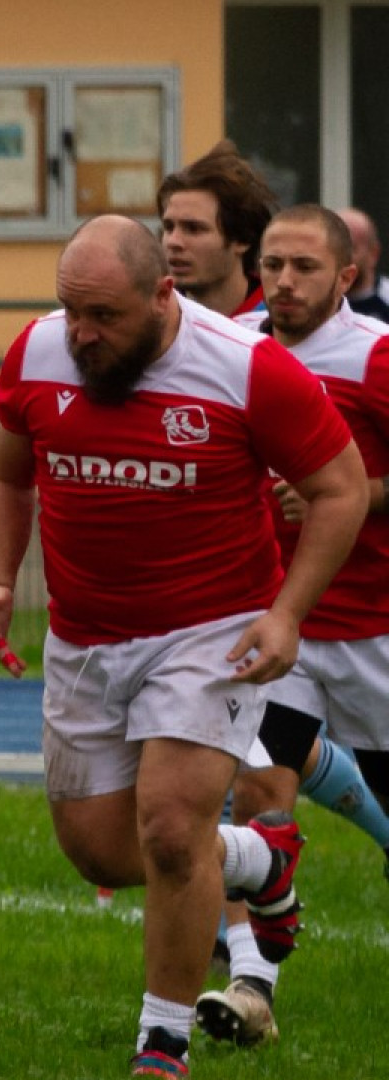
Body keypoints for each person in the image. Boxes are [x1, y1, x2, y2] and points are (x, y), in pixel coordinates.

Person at [0, 214, 367, 1078]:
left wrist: (287, 615)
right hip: (84, 636)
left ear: (163, 295)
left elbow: (340, 487)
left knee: (169, 827)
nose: (82, 334)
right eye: (71, 311)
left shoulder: (246, 366)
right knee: (100, 850)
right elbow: (5, 472)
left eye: (104, 316)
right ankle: (258, 860)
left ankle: (163, 1044)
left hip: (210, 632)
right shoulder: (36, 352)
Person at [195, 205, 389, 1048]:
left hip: (376, 625)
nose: (283, 282)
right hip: (280, 622)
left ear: (346, 276)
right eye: (272, 265)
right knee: (256, 790)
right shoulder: (232, 347)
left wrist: (352, 492)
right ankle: (252, 988)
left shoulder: (375, 355)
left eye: (304, 267)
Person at [158, 142, 275, 319]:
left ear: (242, 239)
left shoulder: (279, 320)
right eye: (169, 227)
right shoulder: (153, 318)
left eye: (193, 229)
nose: (173, 242)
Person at [337, 207, 389, 320]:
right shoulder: (317, 301)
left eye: (351, 248)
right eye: (335, 248)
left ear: (373, 254)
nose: (341, 256)